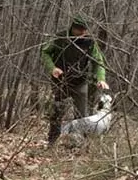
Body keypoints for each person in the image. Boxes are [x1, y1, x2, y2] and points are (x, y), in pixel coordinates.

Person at [40, 16, 110, 144]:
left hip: (80, 82)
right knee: (57, 112)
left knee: (82, 117)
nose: (82, 33)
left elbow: (98, 61)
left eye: (84, 30)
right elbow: (45, 52)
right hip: (61, 82)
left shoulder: (90, 42)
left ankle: (77, 144)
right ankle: (52, 141)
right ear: (73, 27)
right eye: (79, 29)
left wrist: (101, 78)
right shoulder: (60, 38)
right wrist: (52, 68)